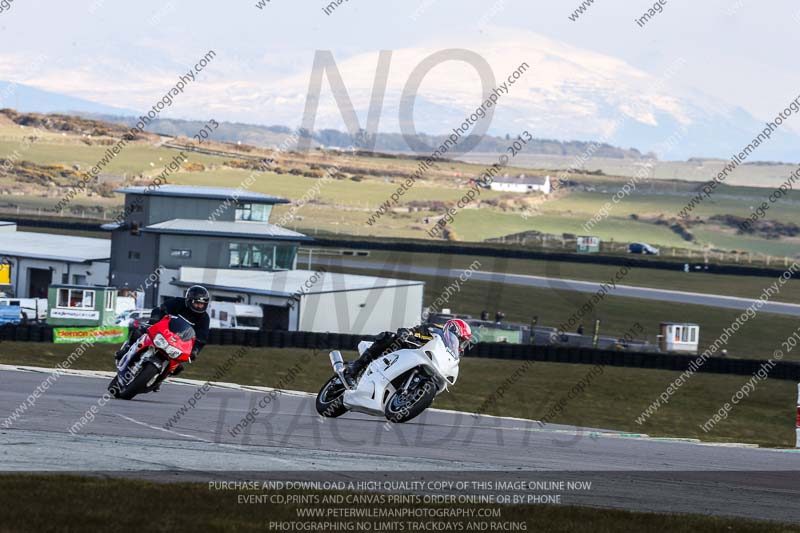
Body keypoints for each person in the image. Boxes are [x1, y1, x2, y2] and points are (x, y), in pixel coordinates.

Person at [115, 285, 211, 385]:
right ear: (189, 300)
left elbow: (202, 337)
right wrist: (155, 319)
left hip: (178, 343)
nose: (200, 306)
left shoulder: (204, 318)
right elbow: (161, 309)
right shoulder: (178, 302)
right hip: (162, 331)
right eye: (197, 303)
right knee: (138, 331)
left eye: (202, 304)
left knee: (178, 368)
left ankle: (157, 379)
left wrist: (195, 351)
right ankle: (125, 350)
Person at [344, 319, 473, 385]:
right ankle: (354, 369)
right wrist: (409, 333)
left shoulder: (450, 351)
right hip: (408, 349)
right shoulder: (436, 330)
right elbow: (418, 330)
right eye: (460, 339)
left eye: (462, 342)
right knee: (389, 337)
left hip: (423, 362)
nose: (460, 344)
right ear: (453, 330)